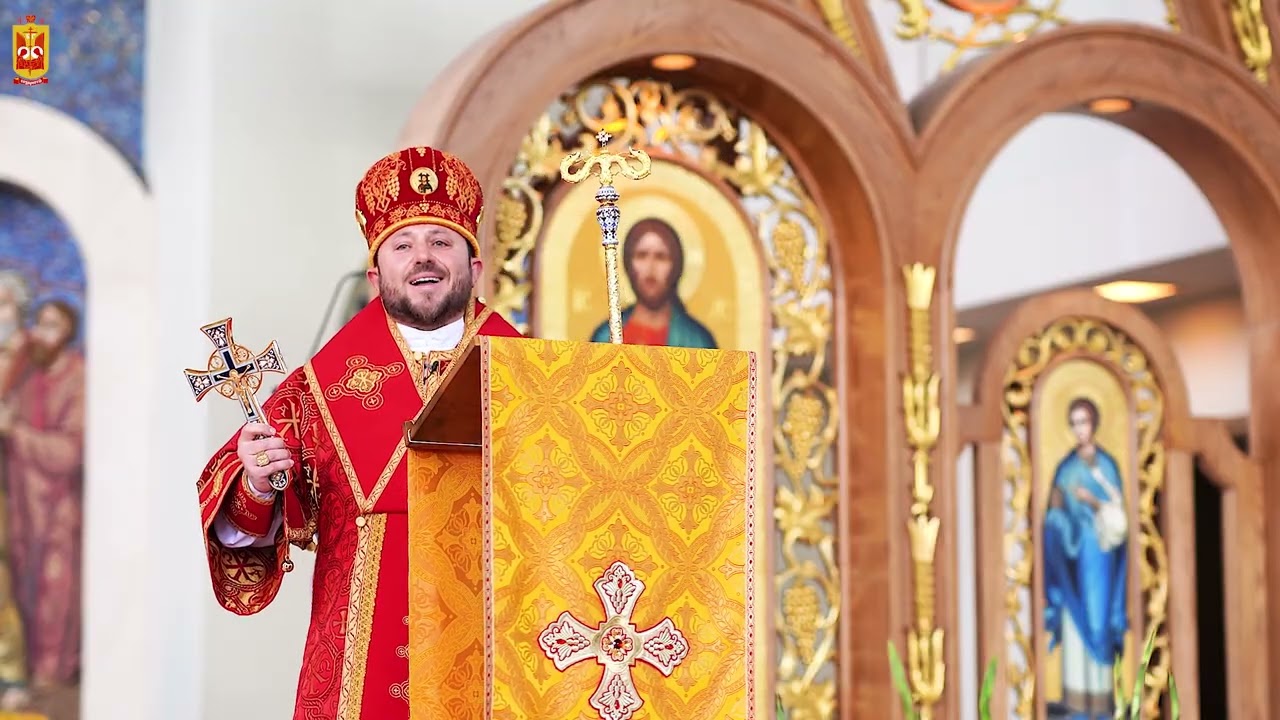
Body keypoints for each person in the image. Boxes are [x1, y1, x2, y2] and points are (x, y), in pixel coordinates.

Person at [195, 146, 521, 720]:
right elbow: (241, 526)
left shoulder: (531, 378)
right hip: (358, 673)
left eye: (442, 242)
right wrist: (258, 483)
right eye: (403, 245)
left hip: (500, 657)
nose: (424, 257)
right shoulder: (316, 391)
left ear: (474, 266)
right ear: (376, 275)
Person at [0, 297, 85, 698]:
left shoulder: (77, 377)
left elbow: (70, 452)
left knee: (56, 589)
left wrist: (15, 432)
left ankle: (53, 678)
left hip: (57, 506)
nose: (40, 333)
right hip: (23, 504)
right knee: (23, 589)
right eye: (39, 323)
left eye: (51, 326)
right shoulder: (29, 375)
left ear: (67, 333)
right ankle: (27, 676)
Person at [1042, 396, 1128, 720]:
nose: (1080, 429)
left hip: (1101, 557)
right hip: (1073, 558)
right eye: (1074, 423)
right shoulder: (1066, 469)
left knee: (1099, 622)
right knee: (1076, 624)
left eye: (1084, 422)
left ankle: (1104, 702)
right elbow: (1055, 513)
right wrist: (1056, 515)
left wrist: (1090, 500)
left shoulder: (1107, 467)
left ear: (1094, 424)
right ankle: (1078, 704)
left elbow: (1118, 516)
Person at [589, 217, 716, 348]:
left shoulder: (696, 340)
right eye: (641, 255)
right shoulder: (605, 337)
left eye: (661, 257)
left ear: (676, 265)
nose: (650, 267)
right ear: (628, 264)